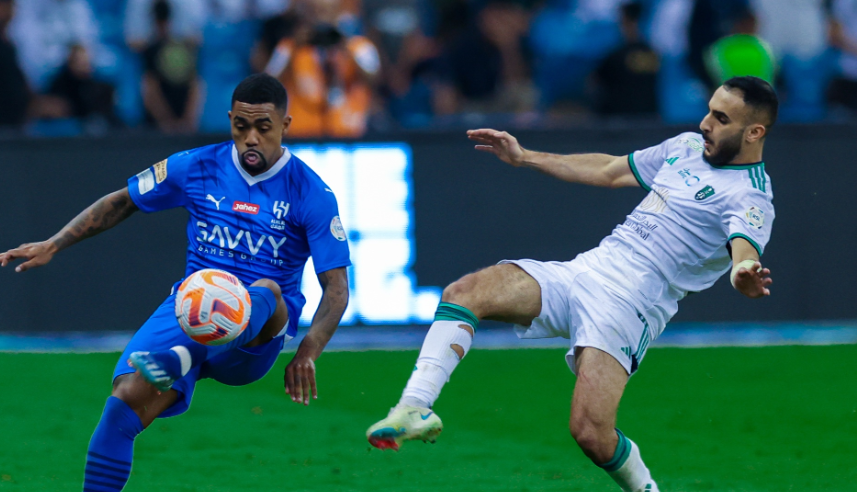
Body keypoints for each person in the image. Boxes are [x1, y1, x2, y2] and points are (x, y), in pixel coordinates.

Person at [366, 75, 777, 492]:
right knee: (465, 293)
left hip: (628, 309)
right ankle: (414, 407)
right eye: (708, 110)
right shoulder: (686, 147)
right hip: (587, 270)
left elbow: (744, 251)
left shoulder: (751, 196)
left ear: (754, 132)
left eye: (721, 118)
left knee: (591, 434)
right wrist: (525, 157)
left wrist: (743, 273)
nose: (706, 123)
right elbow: (611, 169)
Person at [0, 73, 351, 491]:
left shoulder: (311, 192)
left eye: (263, 127)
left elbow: (336, 287)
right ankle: (178, 359)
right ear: (230, 120)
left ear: (285, 126)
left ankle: (179, 359)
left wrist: (308, 352)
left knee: (267, 290)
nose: (251, 138)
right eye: (241, 126)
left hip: (255, 337)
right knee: (123, 403)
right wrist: (55, 243)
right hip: (190, 308)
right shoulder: (196, 165)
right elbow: (122, 201)